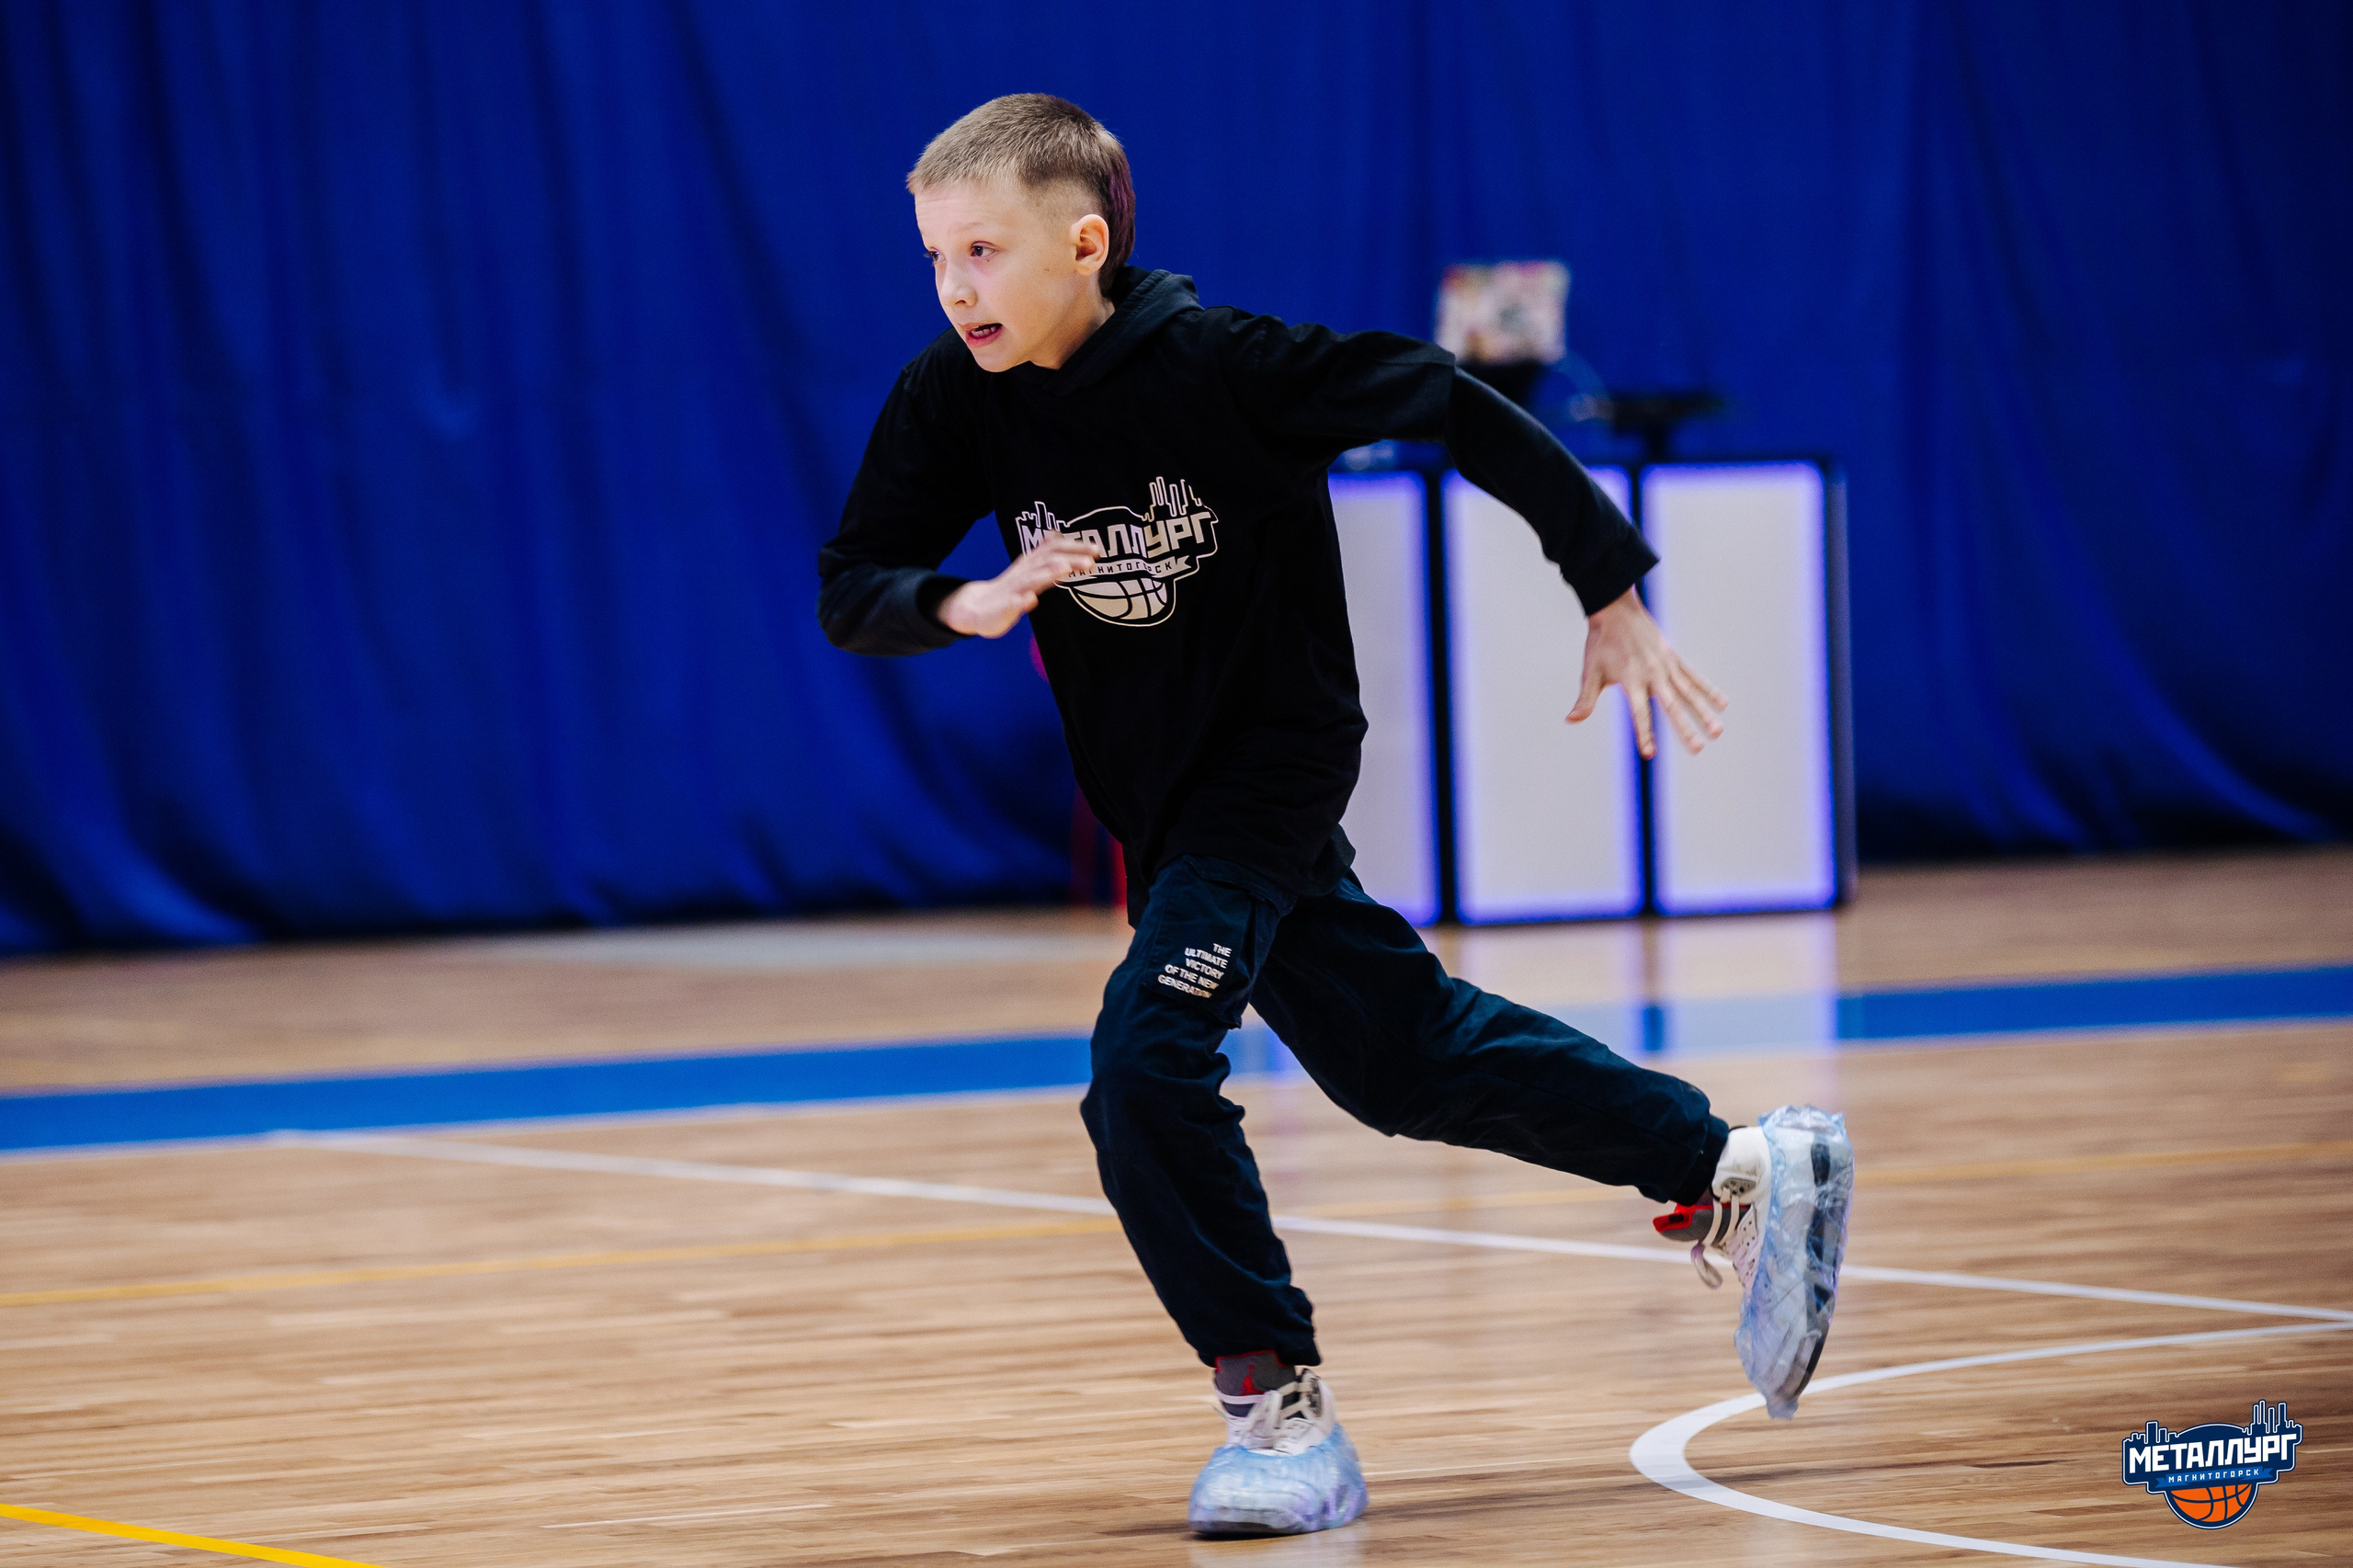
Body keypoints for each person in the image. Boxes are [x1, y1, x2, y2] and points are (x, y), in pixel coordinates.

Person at [818, 94, 1853, 1539]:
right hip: (1168, 810)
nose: (954, 286)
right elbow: (851, 580)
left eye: (982, 251)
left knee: (1144, 1069)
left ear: (1086, 242)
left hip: (1271, 772)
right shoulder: (956, 398)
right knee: (1400, 1056)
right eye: (935, 256)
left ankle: (1276, 1408)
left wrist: (1607, 584)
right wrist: (954, 599)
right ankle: (1727, 1164)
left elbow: (1451, 401)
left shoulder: (1225, 364)